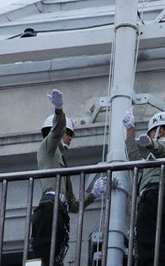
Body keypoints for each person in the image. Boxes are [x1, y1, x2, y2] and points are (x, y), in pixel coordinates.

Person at [29, 89, 107, 265]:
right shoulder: (47, 149)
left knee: (55, 255)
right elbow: (56, 132)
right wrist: (59, 110)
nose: (70, 138)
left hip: (60, 211)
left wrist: (93, 194)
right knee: (44, 252)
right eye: (68, 133)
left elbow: (74, 206)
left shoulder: (63, 164)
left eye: (71, 134)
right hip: (49, 207)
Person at [125, 110, 165, 266]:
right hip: (159, 200)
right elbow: (134, 159)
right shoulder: (154, 161)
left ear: (160, 131)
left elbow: (161, 147)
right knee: (155, 249)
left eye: (150, 133)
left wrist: (151, 144)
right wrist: (130, 131)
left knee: (149, 249)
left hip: (154, 199)